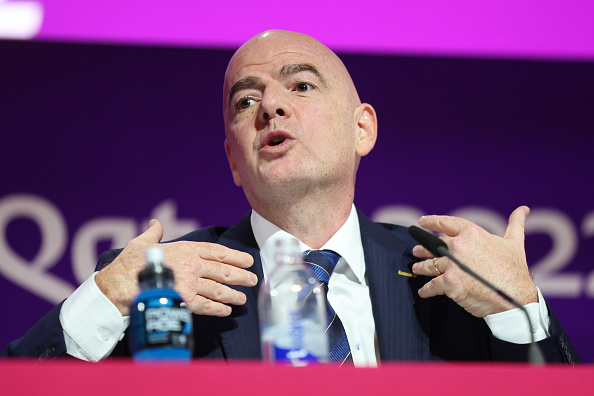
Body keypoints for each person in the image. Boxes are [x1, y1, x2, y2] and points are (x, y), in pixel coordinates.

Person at [1, 30, 580, 365]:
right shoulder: (161, 286)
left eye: (301, 86)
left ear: (363, 129)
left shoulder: (447, 278)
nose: (271, 107)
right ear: (232, 158)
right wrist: (106, 298)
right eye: (245, 102)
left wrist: (519, 308)